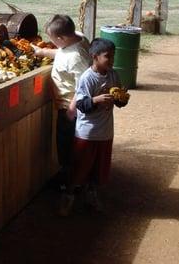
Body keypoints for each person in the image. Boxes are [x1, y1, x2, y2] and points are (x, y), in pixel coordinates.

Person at [58, 38, 127, 216]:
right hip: (87, 133)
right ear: (95, 57)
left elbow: (118, 102)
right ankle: (69, 196)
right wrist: (96, 100)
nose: (111, 60)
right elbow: (81, 105)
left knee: (99, 169)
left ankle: (92, 195)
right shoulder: (87, 78)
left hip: (105, 133)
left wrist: (121, 99)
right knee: (80, 167)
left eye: (113, 56)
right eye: (108, 57)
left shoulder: (113, 75)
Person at [33, 14, 91, 189]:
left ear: (61, 38)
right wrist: (42, 52)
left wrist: (71, 110)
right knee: (66, 145)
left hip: (70, 107)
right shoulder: (78, 38)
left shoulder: (77, 58)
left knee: (67, 146)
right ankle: (70, 176)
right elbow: (61, 51)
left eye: (52, 39)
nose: (52, 42)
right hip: (67, 105)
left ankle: (70, 183)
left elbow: (83, 86)